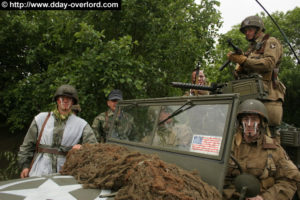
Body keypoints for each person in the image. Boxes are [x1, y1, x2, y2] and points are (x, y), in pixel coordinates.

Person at [223, 99, 299, 200]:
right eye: (246, 119)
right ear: (240, 122)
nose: (249, 124)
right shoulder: (227, 145)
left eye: (254, 119)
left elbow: (290, 179)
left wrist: (265, 198)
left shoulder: (274, 149)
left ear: (261, 123)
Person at [18, 84, 97, 178]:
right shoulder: (40, 119)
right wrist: (25, 166)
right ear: (57, 100)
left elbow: (94, 148)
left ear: (73, 102)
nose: (66, 101)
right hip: (39, 171)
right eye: (62, 98)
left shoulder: (82, 124)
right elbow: (27, 145)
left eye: (69, 98)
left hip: (66, 172)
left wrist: (82, 148)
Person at [227, 15, 286, 137]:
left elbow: (268, 64)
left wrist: (244, 61)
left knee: (268, 137)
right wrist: (240, 66)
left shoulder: (271, 42)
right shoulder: (251, 50)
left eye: (249, 30)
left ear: (258, 29)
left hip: (268, 97)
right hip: (252, 96)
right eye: (245, 31)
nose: (246, 33)